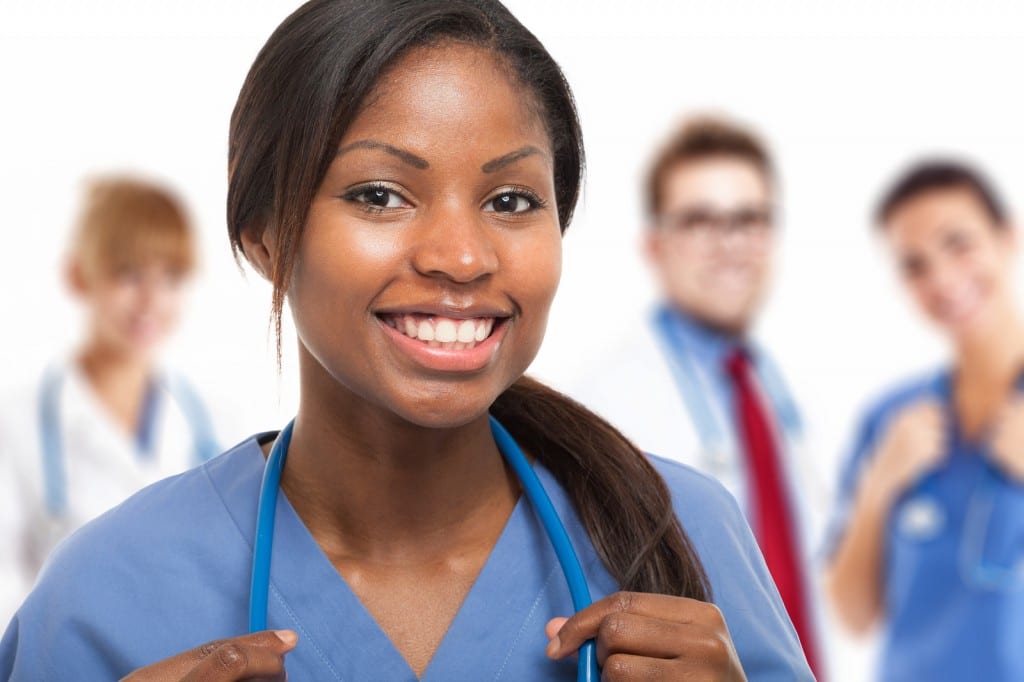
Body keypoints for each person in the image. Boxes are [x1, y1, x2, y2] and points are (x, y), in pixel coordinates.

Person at [0, 2, 813, 679]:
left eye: (510, 201)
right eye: (381, 194)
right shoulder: (103, 599)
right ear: (264, 239)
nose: (461, 256)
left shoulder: (682, 538)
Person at [572, 116, 826, 677]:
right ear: (655, 245)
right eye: (700, 221)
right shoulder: (610, 400)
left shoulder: (772, 385)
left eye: (748, 220)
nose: (730, 244)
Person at [825, 161, 1024, 680]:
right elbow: (852, 614)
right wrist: (879, 487)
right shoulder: (890, 418)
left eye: (958, 243)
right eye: (915, 265)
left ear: (1008, 236)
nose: (943, 278)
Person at [0, 177, 222, 623]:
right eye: (129, 275)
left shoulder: (215, 424)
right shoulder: (16, 423)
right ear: (80, 276)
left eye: (171, 278)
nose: (150, 302)